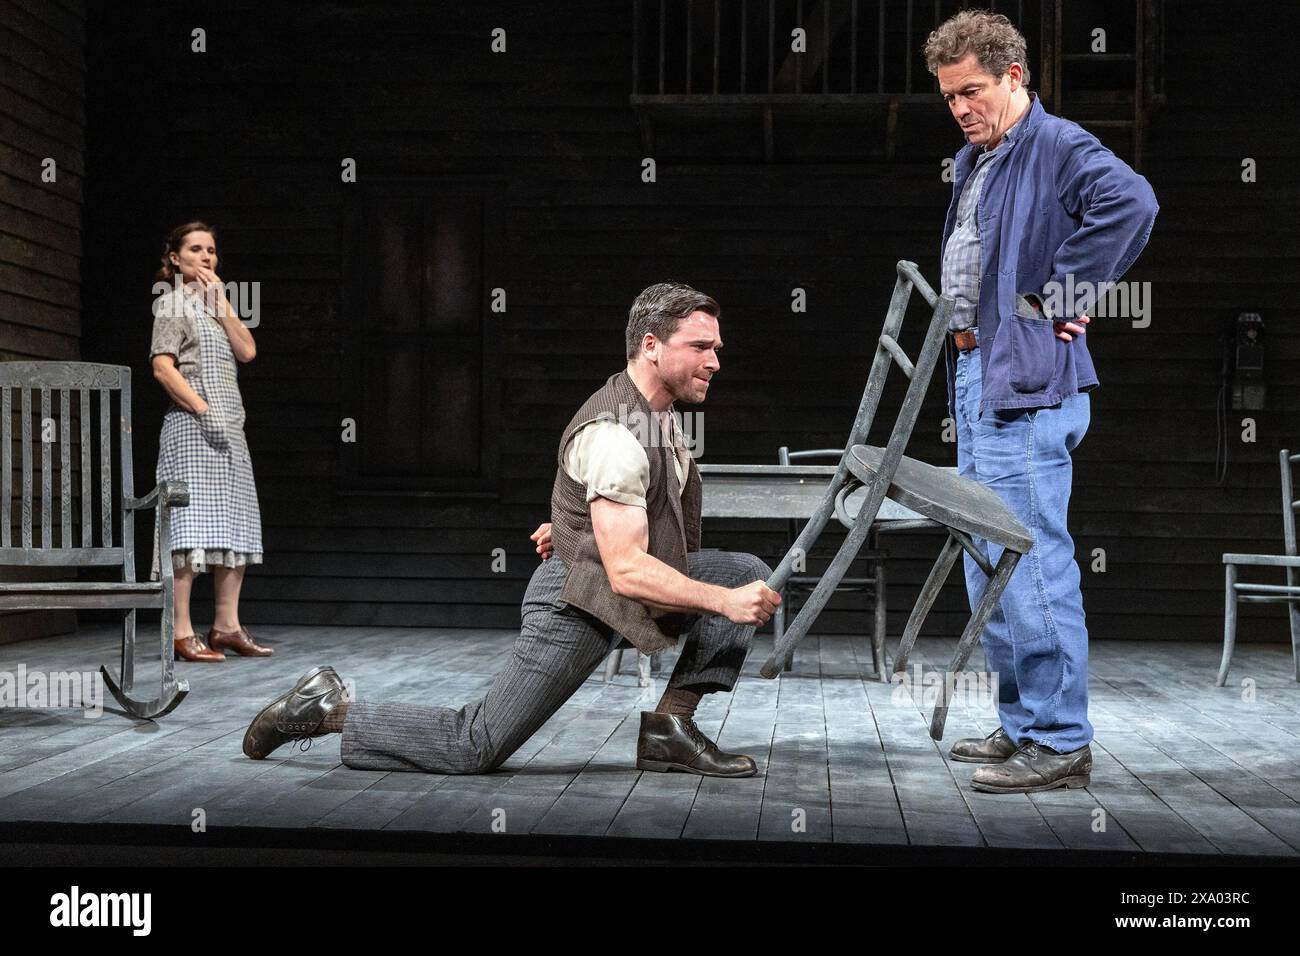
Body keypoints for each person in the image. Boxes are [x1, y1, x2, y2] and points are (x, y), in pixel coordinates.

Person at [243, 282, 782, 777]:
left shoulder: (657, 414)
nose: (714, 362)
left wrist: (580, 526)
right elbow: (624, 569)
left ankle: (670, 728)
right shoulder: (615, 431)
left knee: (743, 571)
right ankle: (323, 711)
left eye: (716, 348)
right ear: (651, 345)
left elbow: (638, 504)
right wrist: (722, 603)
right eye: (700, 347)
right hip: (577, 600)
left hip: (610, 580)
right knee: (473, 745)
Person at [923, 11, 1158, 792]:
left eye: (972, 91)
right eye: (949, 95)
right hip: (978, 378)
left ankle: (1061, 739)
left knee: (1030, 558)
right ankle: (1023, 722)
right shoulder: (976, 157)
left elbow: (1132, 202)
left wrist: (1063, 293)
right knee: (987, 561)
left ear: (1015, 77)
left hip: (1024, 380)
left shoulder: (1055, 145)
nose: (960, 107)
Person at [149, 221, 271, 662]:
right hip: (191, 429)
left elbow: (248, 351)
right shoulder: (172, 304)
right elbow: (163, 368)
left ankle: (226, 626)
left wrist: (223, 305)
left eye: (212, 250)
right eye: (196, 249)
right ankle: (181, 632)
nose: (206, 257)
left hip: (229, 431)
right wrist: (202, 409)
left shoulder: (216, 307)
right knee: (190, 527)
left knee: (236, 523)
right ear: (175, 258)